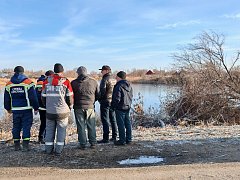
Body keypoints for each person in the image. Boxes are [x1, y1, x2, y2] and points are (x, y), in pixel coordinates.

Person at [4, 66, 39, 151]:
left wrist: (8, 108)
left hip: (15, 110)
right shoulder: (28, 83)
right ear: (23, 72)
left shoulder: (9, 84)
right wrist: (36, 107)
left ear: (14, 72)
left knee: (16, 127)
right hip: (26, 109)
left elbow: (6, 99)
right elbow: (33, 97)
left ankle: (17, 145)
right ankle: (25, 146)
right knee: (26, 127)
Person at [42, 63, 73, 155]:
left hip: (50, 111)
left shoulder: (46, 81)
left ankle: (48, 150)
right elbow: (70, 97)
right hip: (62, 112)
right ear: (62, 71)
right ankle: (58, 151)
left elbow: (43, 96)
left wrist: (47, 106)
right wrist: (70, 107)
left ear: (54, 70)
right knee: (61, 131)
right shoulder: (66, 82)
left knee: (49, 131)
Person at [71, 66, 99, 149]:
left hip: (78, 106)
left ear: (78, 73)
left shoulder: (74, 83)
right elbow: (98, 95)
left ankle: (83, 144)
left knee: (81, 126)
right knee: (91, 125)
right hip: (90, 106)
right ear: (86, 72)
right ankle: (93, 142)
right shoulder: (94, 82)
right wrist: (92, 102)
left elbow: (71, 96)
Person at [111, 71, 133, 146]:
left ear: (119, 77)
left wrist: (113, 106)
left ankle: (122, 140)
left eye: (116, 77)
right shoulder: (129, 86)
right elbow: (131, 96)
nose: (115, 78)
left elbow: (117, 98)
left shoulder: (118, 86)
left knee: (121, 124)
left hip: (120, 107)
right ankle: (129, 139)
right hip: (127, 106)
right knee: (127, 123)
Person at [97, 65, 117, 143]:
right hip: (112, 101)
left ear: (107, 71)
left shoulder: (104, 79)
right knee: (113, 119)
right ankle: (114, 136)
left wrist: (99, 99)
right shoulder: (114, 79)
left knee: (105, 119)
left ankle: (106, 138)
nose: (101, 72)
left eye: (102, 70)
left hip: (105, 101)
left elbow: (102, 91)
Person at [35, 70, 54, 143]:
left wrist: (36, 107)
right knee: (47, 123)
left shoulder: (39, 83)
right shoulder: (47, 83)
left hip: (41, 107)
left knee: (43, 122)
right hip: (46, 106)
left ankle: (41, 137)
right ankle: (43, 137)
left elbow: (36, 96)